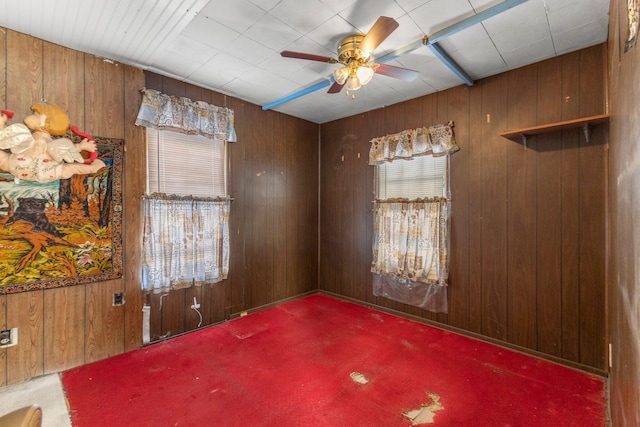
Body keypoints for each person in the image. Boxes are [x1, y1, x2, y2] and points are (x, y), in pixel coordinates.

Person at [0, 103, 105, 183]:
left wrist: (2, 124)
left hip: (18, 166)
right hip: (47, 173)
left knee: (3, 158)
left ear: (43, 121)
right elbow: (64, 149)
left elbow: (10, 137)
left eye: (35, 115)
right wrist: (81, 146)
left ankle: (93, 168)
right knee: (70, 169)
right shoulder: (56, 143)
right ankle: (93, 168)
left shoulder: (27, 136)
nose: (31, 117)